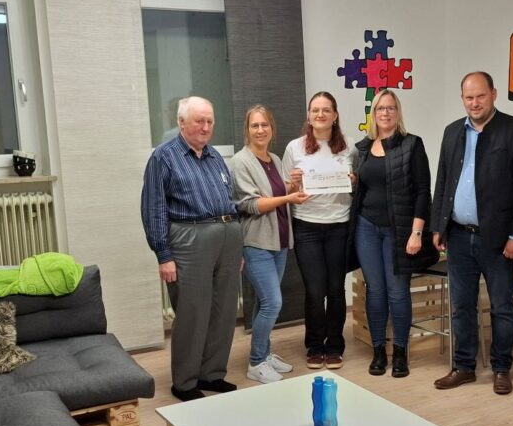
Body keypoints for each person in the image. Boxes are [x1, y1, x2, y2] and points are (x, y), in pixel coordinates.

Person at [431, 71, 513, 395]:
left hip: (499, 238)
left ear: (493, 94)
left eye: (480, 96)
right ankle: (464, 366)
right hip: (458, 235)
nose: (474, 103)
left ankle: (501, 368)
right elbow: (443, 181)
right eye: (469, 97)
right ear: (462, 99)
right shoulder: (452, 132)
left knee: (502, 306)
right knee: (461, 305)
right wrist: (438, 226)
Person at [140, 96, 243, 402]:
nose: (206, 127)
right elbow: (154, 209)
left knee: (224, 311)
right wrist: (164, 255)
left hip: (227, 238)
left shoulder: (214, 156)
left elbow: (230, 200)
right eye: (199, 121)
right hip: (189, 239)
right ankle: (184, 382)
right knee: (192, 313)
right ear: (181, 122)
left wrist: (236, 247)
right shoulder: (164, 157)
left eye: (210, 121)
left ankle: (212, 374)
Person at [349, 89, 438, 378]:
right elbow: (362, 188)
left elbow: (423, 191)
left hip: (399, 230)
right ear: (373, 114)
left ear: (397, 112)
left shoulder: (412, 144)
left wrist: (417, 233)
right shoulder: (363, 148)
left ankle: (400, 351)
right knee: (375, 291)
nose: (385, 113)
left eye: (390, 108)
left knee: (398, 292)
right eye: (380, 109)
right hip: (366, 227)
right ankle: (378, 351)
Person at [231, 105, 309, 384]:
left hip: (279, 241)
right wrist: (288, 198)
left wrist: (292, 186)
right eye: (255, 125)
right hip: (256, 243)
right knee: (273, 303)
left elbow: (276, 192)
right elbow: (250, 204)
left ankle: (264, 353)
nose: (260, 130)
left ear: (272, 129)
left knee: (265, 302)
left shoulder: (274, 159)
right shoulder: (240, 161)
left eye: (265, 125)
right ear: (247, 130)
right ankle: (255, 362)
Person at [282, 92, 355, 369]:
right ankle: (314, 346)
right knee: (314, 290)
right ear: (309, 115)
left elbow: (358, 184)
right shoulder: (295, 148)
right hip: (307, 227)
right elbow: (287, 189)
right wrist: (294, 183)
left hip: (339, 225)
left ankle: (335, 346)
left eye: (326, 110)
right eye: (315, 110)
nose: (320, 114)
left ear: (335, 115)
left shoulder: (350, 146)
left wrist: (353, 180)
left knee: (335, 289)